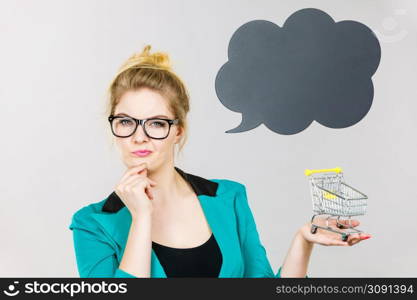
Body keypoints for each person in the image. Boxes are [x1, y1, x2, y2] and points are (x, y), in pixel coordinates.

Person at [69, 45, 371, 278]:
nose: (139, 136)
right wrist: (141, 218)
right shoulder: (92, 224)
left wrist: (304, 240)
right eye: (126, 121)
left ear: (178, 131)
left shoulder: (229, 198)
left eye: (157, 123)